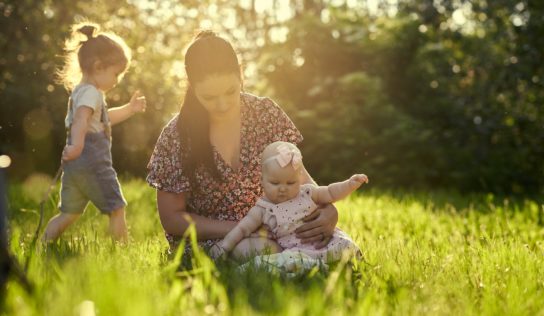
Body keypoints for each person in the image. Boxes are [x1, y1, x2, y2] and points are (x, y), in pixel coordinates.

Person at [146, 30, 339, 260]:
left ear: (240, 73)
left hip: (276, 226)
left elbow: (299, 178)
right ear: (191, 85)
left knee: (338, 246)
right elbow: (172, 219)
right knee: (262, 251)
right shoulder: (177, 135)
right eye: (209, 97)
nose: (222, 104)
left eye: (230, 91)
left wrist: (327, 211)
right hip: (213, 238)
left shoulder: (265, 114)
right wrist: (244, 228)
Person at [43, 22, 146, 242]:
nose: (117, 80)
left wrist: (129, 109)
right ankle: (123, 250)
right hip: (91, 161)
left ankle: (44, 244)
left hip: (75, 166)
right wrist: (78, 146)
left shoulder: (83, 91)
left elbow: (102, 120)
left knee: (69, 213)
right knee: (117, 208)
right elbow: (81, 119)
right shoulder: (91, 94)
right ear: (98, 67)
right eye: (116, 73)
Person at [210, 141, 368, 261]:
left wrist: (350, 184)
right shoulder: (262, 209)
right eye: (275, 183)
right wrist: (224, 247)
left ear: (299, 179)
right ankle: (314, 267)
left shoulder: (307, 192)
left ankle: (345, 262)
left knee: (344, 246)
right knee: (289, 261)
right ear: (262, 180)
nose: (283, 188)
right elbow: (241, 230)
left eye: (290, 183)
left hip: (325, 240)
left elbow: (331, 192)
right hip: (295, 250)